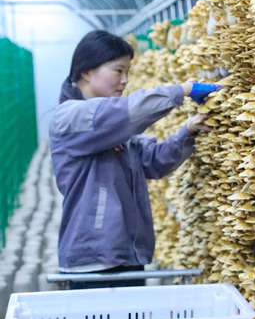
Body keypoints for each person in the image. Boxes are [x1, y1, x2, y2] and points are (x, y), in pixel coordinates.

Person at [49, 30, 220, 289]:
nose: (125, 80)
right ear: (86, 72)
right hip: (94, 260)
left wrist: (188, 132)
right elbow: (127, 111)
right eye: (118, 71)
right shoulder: (70, 117)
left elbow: (154, 161)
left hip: (125, 254)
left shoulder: (112, 126)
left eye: (127, 71)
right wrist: (182, 90)